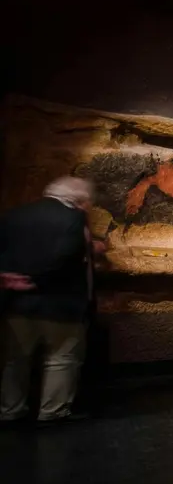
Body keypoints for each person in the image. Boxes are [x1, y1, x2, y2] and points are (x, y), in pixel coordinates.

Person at [0, 176, 100, 424]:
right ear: (80, 200)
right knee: (61, 358)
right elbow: (66, 256)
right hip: (60, 303)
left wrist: (8, 278)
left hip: (17, 303)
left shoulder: (15, 214)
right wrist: (35, 280)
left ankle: (10, 409)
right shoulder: (74, 218)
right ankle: (53, 411)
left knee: (15, 361)